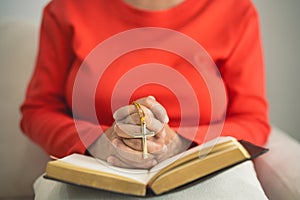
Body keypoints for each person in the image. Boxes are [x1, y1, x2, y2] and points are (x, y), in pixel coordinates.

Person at [20, 0, 270, 170]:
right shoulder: (67, 8)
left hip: (198, 170)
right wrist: (98, 141)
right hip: (95, 170)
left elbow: (253, 121)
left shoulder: (235, 11)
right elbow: (37, 111)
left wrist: (182, 144)